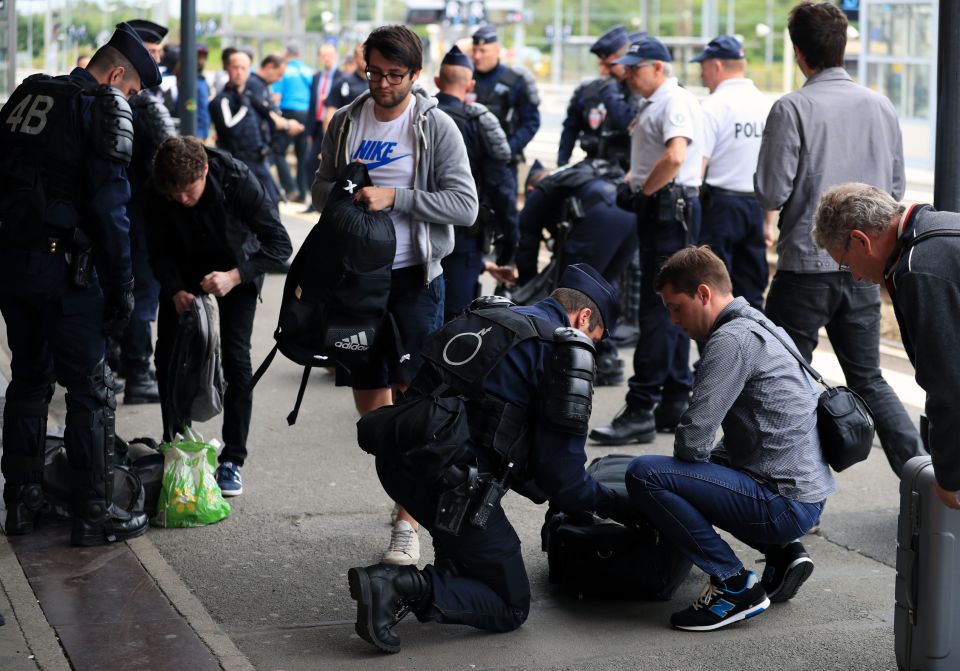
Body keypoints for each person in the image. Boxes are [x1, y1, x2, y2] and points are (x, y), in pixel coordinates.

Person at [347, 264, 631, 653]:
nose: (592, 348)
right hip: (451, 487)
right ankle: (396, 586)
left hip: (401, 462)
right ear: (583, 317)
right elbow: (561, 475)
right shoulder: (561, 352)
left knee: (471, 549)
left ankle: (449, 574)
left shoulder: (489, 312)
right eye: (595, 338)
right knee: (510, 605)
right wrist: (610, 502)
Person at [310, 25, 478, 565]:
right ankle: (404, 488)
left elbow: (464, 206)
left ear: (415, 74)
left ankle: (408, 521)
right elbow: (317, 188)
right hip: (356, 282)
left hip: (413, 279)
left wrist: (396, 197)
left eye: (394, 75)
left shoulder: (436, 127)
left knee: (414, 399)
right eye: (373, 73)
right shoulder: (346, 121)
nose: (382, 84)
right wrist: (342, 195)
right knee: (369, 399)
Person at [0, 23, 161, 545]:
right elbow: (112, 211)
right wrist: (123, 285)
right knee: (90, 392)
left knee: (28, 381)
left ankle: (21, 503)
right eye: (133, 90)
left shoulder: (29, 92)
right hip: (65, 273)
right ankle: (93, 514)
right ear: (117, 74)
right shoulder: (103, 106)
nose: (131, 100)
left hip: (12, 264)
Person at [626, 246, 834, 631]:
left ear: (704, 293)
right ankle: (783, 553)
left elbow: (691, 441)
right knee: (702, 471)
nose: (673, 321)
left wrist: (692, 476)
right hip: (805, 493)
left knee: (645, 474)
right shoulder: (762, 324)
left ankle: (733, 584)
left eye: (676, 307)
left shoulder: (731, 341)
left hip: (783, 502)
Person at [755, 2, 923, 477]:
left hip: (805, 268)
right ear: (843, 47)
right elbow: (894, 191)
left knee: (784, 377)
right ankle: (923, 479)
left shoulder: (792, 108)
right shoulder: (881, 105)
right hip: (866, 267)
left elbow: (771, 190)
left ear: (799, 52)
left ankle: (786, 483)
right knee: (868, 378)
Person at [143, 136, 292, 497]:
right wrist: (175, 286)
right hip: (183, 273)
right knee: (169, 357)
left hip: (235, 270)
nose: (181, 200)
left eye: (188, 192)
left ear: (205, 170)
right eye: (173, 195)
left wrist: (235, 276)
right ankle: (176, 440)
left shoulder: (237, 180)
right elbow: (155, 245)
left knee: (236, 360)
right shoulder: (158, 185)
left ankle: (233, 459)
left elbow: (280, 245)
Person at [589, 35, 704, 446]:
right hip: (667, 209)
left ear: (659, 67)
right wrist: (632, 183)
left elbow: (676, 157)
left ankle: (640, 409)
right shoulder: (656, 103)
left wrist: (644, 192)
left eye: (636, 68)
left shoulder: (673, 102)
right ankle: (673, 399)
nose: (629, 75)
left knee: (661, 310)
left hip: (668, 211)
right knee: (671, 307)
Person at [813, 183, 958, 507]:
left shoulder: (919, 269)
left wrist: (950, 477)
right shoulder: (938, 226)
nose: (856, 279)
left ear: (860, 240)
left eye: (847, 265)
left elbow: (948, 383)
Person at [518, 159, 637, 385]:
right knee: (605, 286)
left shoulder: (540, 193)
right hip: (629, 215)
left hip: (600, 218)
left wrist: (526, 288)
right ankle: (607, 358)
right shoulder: (574, 177)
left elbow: (526, 242)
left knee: (571, 293)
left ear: (530, 188)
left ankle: (570, 363)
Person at [121, 18, 178, 405]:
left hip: (116, 214)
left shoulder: (108, 101)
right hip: (142, 217)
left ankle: (128, 364)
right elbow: (172, 159)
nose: (156, 65)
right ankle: (139, 373)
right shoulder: (144, 106)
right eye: (151, 55)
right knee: (142, 297)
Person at [693, 35, 772, 310]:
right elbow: (771, 168)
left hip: (720, 210)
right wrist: (768, 221)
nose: (702, 74)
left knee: (711, 290)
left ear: (716, 66)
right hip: (755, 206)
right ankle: (755, 350)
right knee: (751, 289)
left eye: (702, 67)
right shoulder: (765, 105)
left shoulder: (714, 106)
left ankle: (719, 350)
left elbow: (698, 165)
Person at [434, 45, 513, 320]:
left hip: (412, 232)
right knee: (456, 317)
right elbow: (501, 188)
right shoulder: (476, 123)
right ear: (470, 86)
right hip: (463, 236)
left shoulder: (416, 116)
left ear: (436, 81)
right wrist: (510, 242)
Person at [471, 25, 541, 270]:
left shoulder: (515, 81)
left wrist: (507, 149)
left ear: (497, 50)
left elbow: (531, 120)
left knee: (506, 221)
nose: (477, 56)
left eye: (483, 50)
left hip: (502, 166)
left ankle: (506, 270)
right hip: (469, 165)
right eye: (474, 50)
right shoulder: (464, 77)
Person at [558, 25, 640, 169]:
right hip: (595, 165)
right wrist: (562, 164)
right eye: (601, 64)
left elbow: (630, 124)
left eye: (609, 65)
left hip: (627, 169)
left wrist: (611, 96)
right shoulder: (589, 90)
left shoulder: (639, 91)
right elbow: (570, 128)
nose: (603, 71)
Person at [210, 50, 281, 204]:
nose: (239, 72)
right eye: (235, 67)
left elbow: (271, 120)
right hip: (237, 164)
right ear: (227, 68)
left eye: (244, 68)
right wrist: (244, 107)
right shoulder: (222, 100)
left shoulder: (250, 97)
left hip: (260, 162)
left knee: (272, 203)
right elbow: (230, 129)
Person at [247, 53, 305, 195]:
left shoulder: (263, 85)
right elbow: (266, 114)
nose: (279, 79)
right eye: (279, 74)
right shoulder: (254, 84)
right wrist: (287, 125)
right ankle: (290, 189)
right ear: (269, 67)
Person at [272, 42, 313, 202]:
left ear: (287, 54)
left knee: (278, 151)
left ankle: (290, 188)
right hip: (306, 114)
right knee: (302, 155)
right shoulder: (307, 70)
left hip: (288, 112)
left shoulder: (284, 70)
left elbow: (276, 96)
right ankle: (303, 193)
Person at [302, 44, 340, 214]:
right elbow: (312, 105)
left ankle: (330, 202)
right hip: (317, 126)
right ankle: (314, 201)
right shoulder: (316, 77)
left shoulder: (341, 77)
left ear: (335, 56)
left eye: (330, 55)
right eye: (323, 55)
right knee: (310, 162)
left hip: (334, 127)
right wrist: (309, 131)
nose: (327, 58)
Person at [322, 44, 368, 133]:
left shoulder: (377, 83)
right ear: (355, 58)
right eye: (362, 56)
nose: (365, 59)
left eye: (368, 55)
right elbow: (330, 113)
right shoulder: (343, 82)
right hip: (347, 133)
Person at [196, 43, 212, 140]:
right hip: (194, 133)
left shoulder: (202, 80)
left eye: (203, 57)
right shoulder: (185, 79)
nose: (200, 61)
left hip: (204, 132)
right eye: (198, 56)